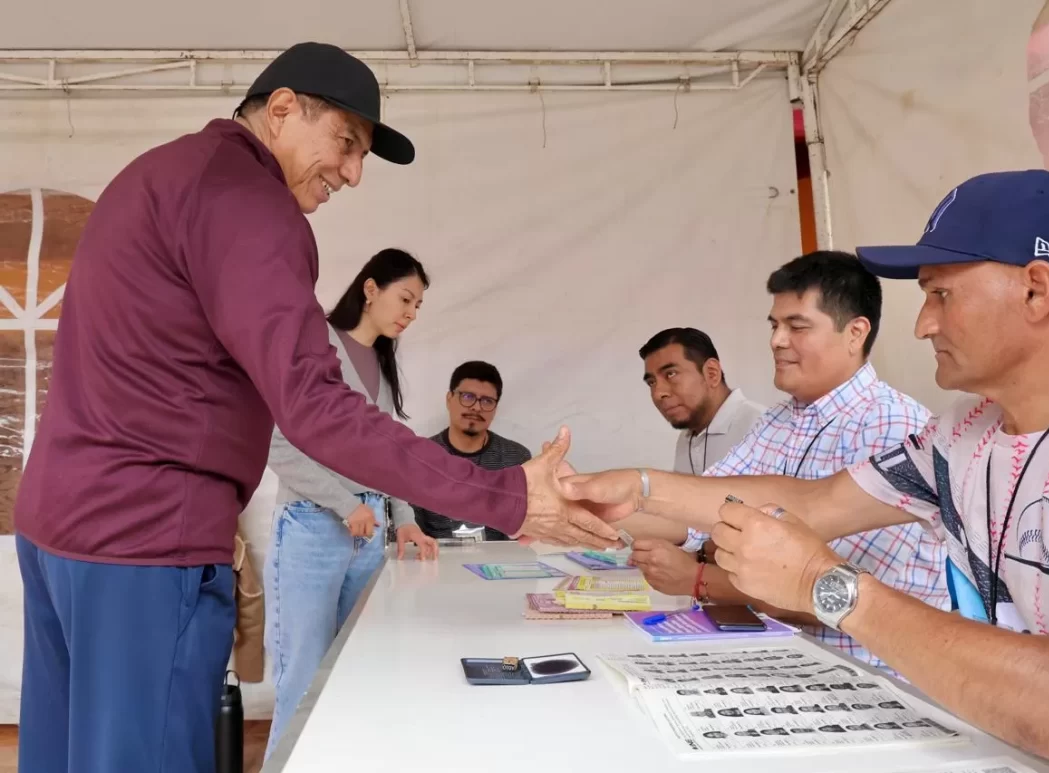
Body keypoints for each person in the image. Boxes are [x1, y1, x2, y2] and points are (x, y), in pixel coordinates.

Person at [13, 42, 616, 773]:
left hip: (54, 527)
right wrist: (505, 494)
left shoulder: (156, 174)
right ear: (282, 108)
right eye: (346, 143)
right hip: (142, 541)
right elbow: (313, 406)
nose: (353, 173)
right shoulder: (249, 201)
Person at [566, 170, 1049, 773]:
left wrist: (826, 585)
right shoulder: (963, 430)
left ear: (1036, 290)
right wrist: (639, 486)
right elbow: (818, 504)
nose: (922, 324)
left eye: (941, 294)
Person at [630, 252, 945, 671]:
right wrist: (575, 501)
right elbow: (698, 509)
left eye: (797, 326)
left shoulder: (893, 428)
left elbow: (840, 594)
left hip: (864, 677)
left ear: (855, 333)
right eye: (775, 326)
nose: (777, 340)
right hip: (779, 656)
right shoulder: (781, 419)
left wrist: (698, 580)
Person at [263, 248, 441, 758]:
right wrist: (346, 504)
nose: (410, 312)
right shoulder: (316, 342)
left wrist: (403, 519)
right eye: (405, 298)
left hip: (367, 534)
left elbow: (390, 455)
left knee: (357, 667)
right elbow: (276, 440)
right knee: (302, 674)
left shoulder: (383, 365)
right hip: (312, 527)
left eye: (418, 306)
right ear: (370, 289)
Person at [413, 361, 534, 541]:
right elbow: (411, 528)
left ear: (495, 408)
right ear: (449, 399)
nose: (477, 407)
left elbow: (524, 532)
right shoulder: (420, 456)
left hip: (500, 564)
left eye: (487, 401)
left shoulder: (516, 459)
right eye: (468, 397)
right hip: (435, 562)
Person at [639, 327, 766, 477]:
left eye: (670, 374)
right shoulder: (686, 438)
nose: (658, 393)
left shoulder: (763, 429)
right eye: (652, 382)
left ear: (711, 373)